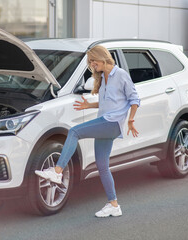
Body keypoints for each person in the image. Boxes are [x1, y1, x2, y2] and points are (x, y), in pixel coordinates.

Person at [35, 45, 140, 218]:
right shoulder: (104, 78)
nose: (92, 65)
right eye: (90, 62)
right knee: (102, 166)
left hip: (111, 123)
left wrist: (131, 120)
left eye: (93, 61)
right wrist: (89, 105)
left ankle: (57, 171)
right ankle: (114, 205)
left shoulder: (120, 74)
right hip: (105, 122)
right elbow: (109, 102)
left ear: (102, 57)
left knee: (74, 132)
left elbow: (134, 99)